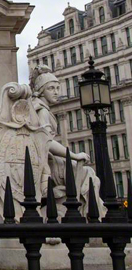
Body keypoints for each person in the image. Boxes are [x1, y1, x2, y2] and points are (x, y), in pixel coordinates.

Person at [30, 65, 102, 216]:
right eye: (51, 88)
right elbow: (46, 142)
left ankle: (87, 211)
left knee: (89, 176)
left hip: (51, 160)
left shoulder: (42, 108)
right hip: (49, 162)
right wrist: (74, 156)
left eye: (57, 88)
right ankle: (88, 213)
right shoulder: (41, 110)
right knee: (88, 175)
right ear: (41, 90)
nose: (56, 92)